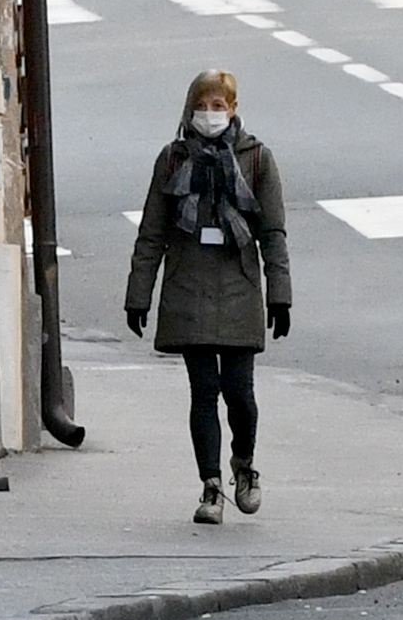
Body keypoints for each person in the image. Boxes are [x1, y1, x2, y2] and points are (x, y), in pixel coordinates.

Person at [123, 68, 289, 526]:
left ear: (233, 110)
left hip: (238, 285)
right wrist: (139, 294)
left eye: (220, 106)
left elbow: (272, 232)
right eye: (204, 105)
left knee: (240, 393)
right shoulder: (173, 160)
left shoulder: (257, 159)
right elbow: (152, 232)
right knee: (203, 391)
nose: (210, 114)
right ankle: (211, 486)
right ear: (190, 108)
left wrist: (281, 295)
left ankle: (244, 464)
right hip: (188, 287)